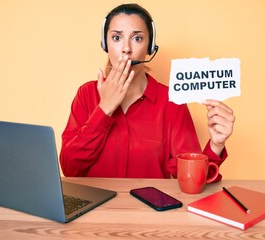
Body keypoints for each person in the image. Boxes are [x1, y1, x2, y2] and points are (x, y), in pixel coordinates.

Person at [60, 3, 235, 180]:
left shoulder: (172, 102)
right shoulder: (86, 94)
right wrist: (104, 109)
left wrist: (216, 145)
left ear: (150, 46)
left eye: (137, 39)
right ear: (105, 44)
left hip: (149, 208)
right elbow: (70, 169)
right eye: (116, 38)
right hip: (98, 208)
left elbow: (190, 179)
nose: (126, 49)